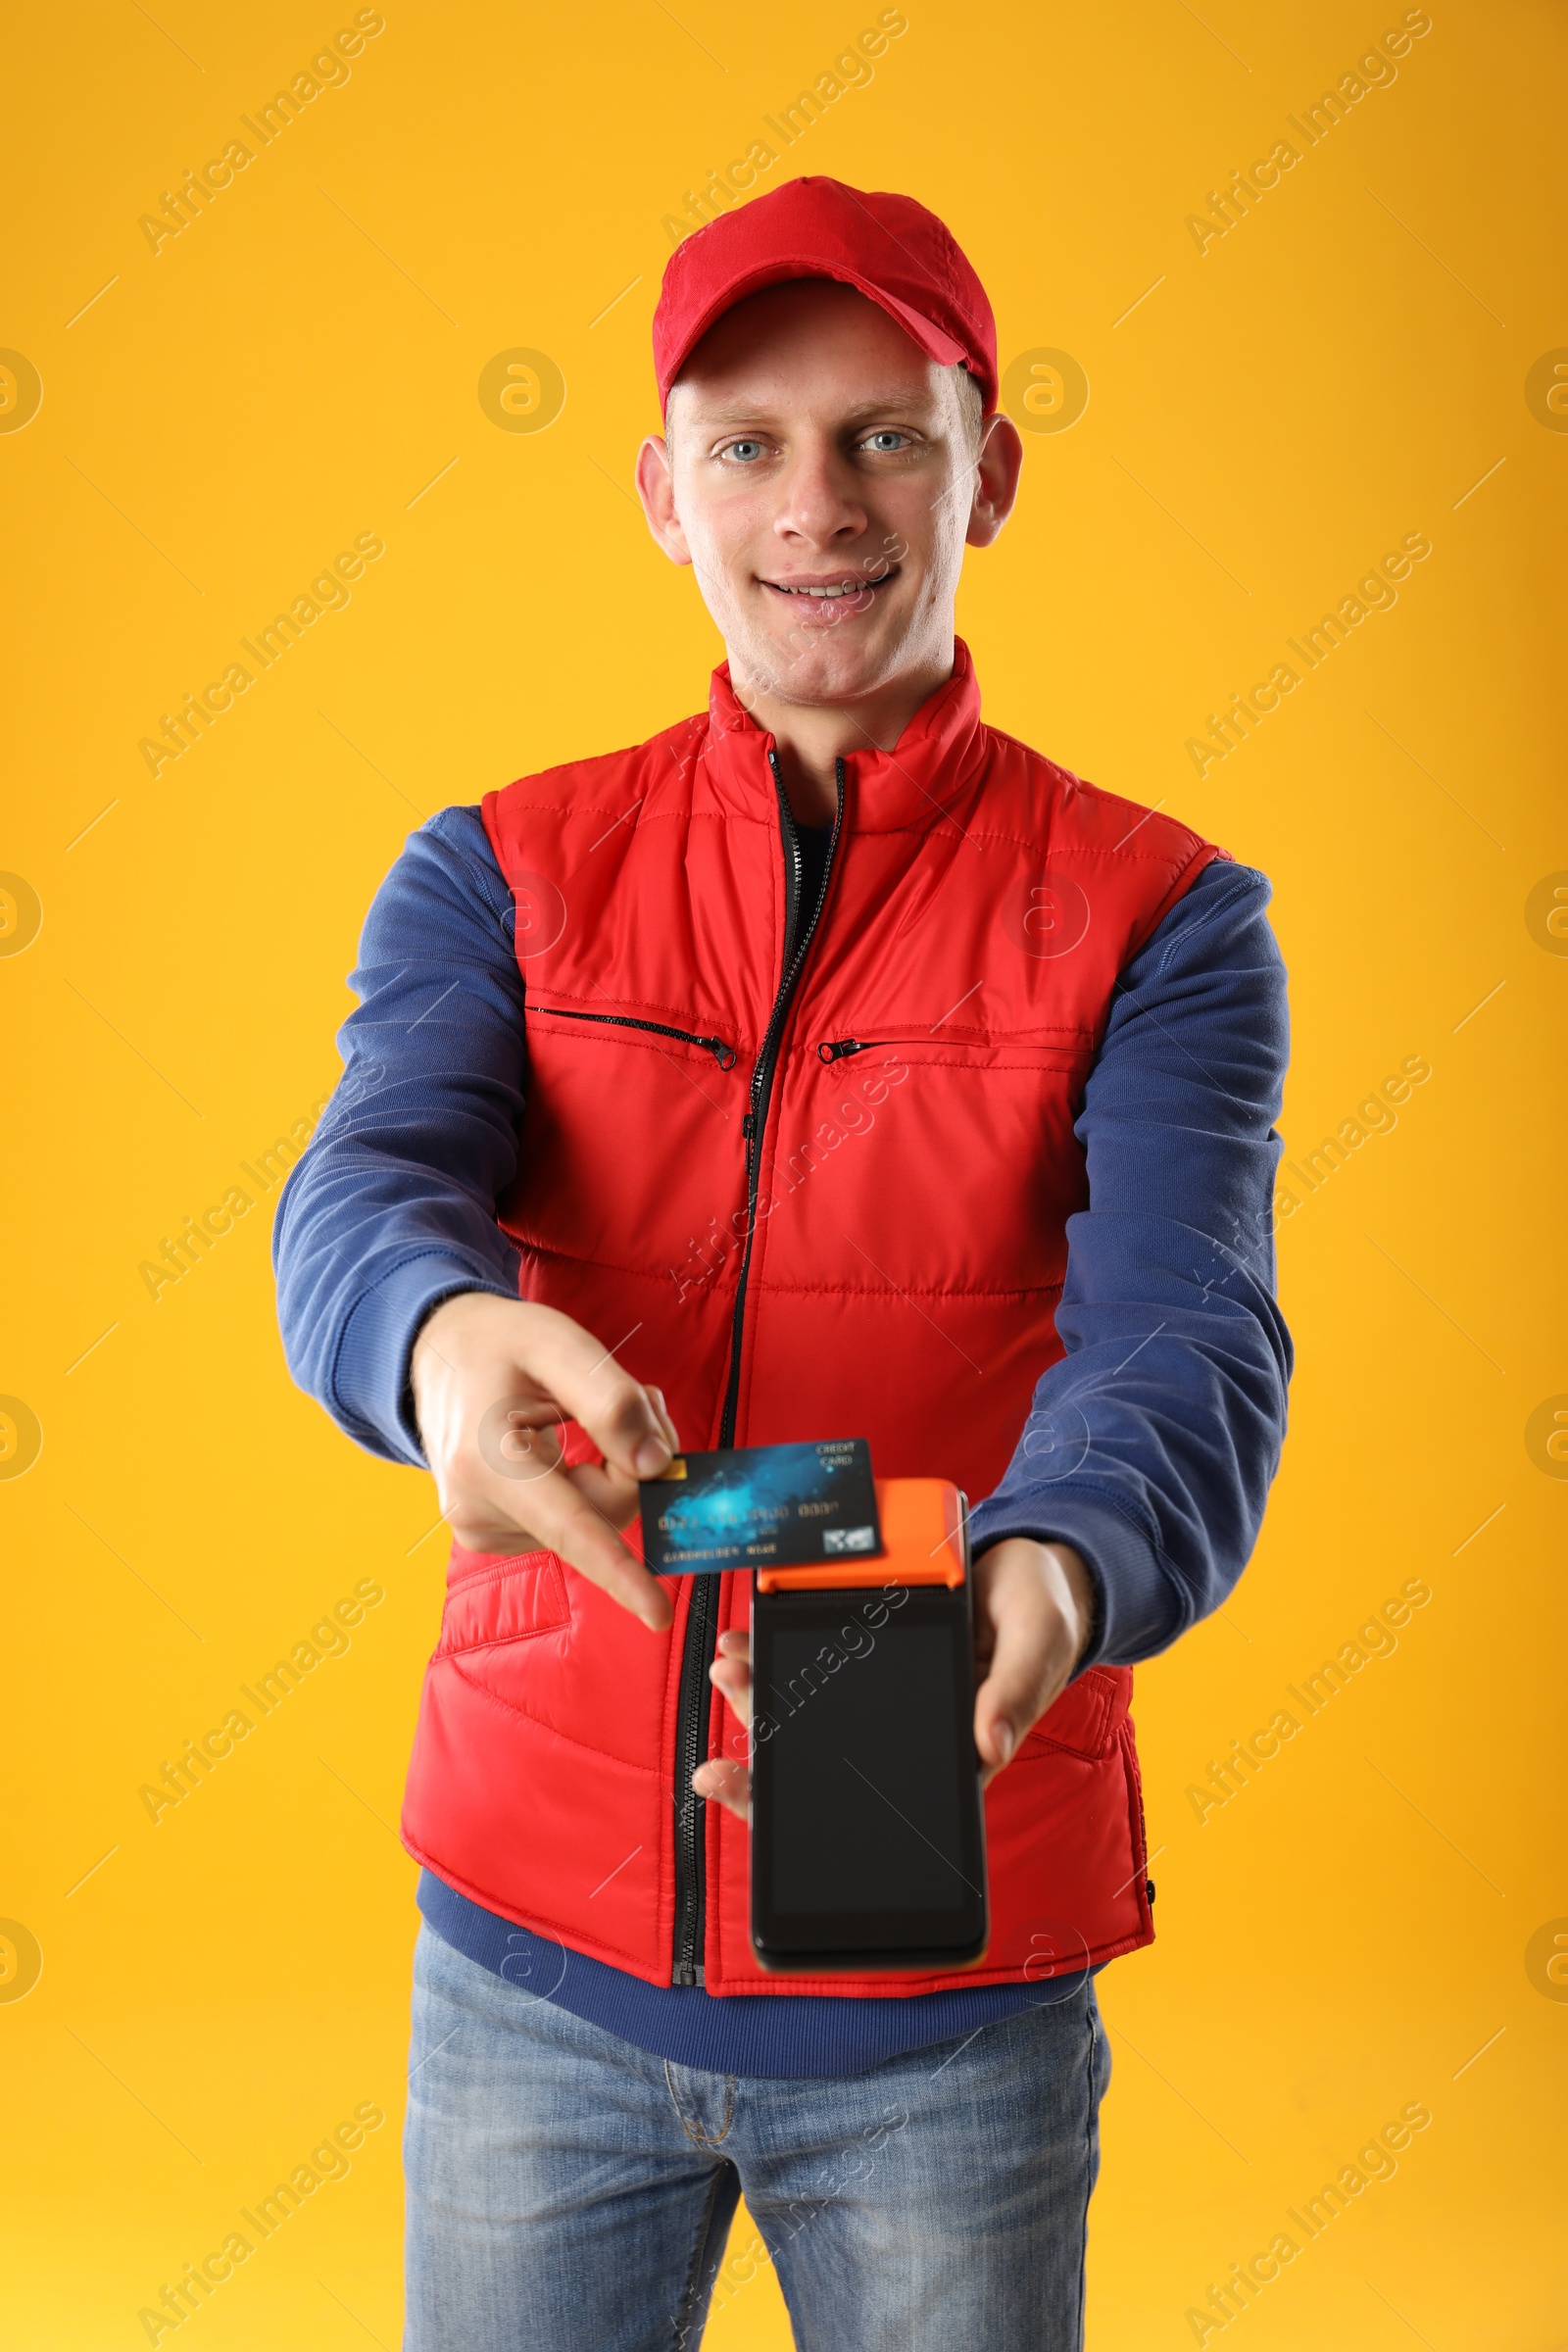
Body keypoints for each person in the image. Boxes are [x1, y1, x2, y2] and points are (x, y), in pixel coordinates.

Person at [274, 175, 1291, 2352]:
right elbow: (363, 1190)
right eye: (747, 443)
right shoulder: (498, 874)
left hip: (944, 1997)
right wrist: (439, 1343)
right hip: (529, 1973)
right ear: (659, 492)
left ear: (985, 465)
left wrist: (1060, 1571)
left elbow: (1185, 1340)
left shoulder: (1160, 918)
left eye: (881, 436)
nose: (813, 505)